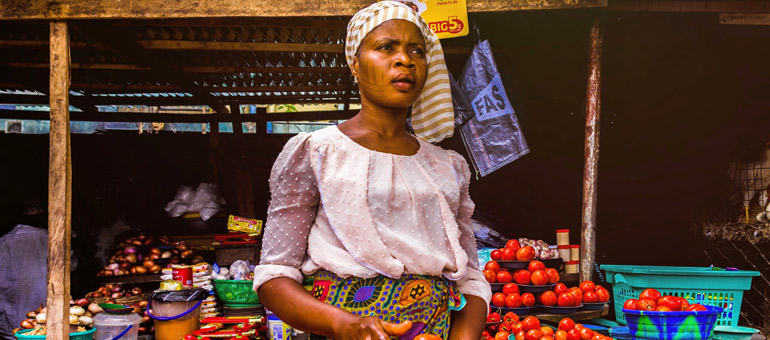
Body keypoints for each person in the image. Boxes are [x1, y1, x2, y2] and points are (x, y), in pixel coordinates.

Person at [253, 2, 491, 340]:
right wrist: (345, 324)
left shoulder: (447, 166)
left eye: (416, 51)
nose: (404, 60)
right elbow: (274, 276)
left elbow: (470, 279)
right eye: (386, 47)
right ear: (355, 63)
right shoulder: (317, 152)